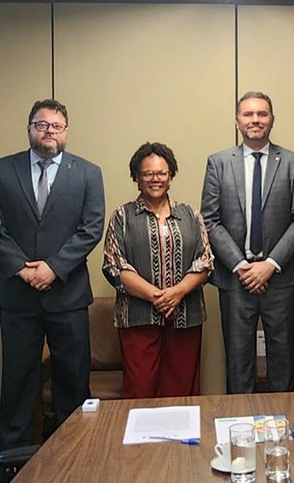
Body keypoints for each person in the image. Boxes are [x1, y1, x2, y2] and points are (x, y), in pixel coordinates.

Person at [0, 99, 105, 449]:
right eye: (41, 124)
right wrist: (22, 269)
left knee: (72, 379)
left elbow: (92, 227)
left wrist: (54, 267)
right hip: (17, 293)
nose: (48, 131)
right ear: (29, 129)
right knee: (18, 380)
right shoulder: (1, 169)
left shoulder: (87, 172)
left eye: (56, 126)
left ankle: (76, 451)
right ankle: (14, 456)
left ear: (66, 131)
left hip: (66, 294)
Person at [201, 91, 294, 393]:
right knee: (239, 363)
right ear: (237, 121)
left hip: (281, 277)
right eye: (248, 114)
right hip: (235, 280)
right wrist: (241, 266)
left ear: (272, 120)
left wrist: (270, 265)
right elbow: (210, 220)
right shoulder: (218, 163)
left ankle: (284, 428)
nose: (255, 120)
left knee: (283, 361)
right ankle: (241, 429)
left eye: (262, 114)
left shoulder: (292, 162)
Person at [103, 142, 213, 398]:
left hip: (186, 317)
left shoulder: (190, 214)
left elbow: (205, 260)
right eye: (148, 173)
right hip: (138, 318)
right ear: (137, 177)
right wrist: (158, 297)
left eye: (162, 173)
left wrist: (177, 293)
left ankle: (179, 440)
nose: (155, 179)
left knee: (182, 389)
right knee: (140, 390)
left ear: (170, 175)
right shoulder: (122, 216)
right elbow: (115, 265)